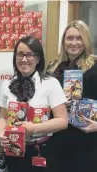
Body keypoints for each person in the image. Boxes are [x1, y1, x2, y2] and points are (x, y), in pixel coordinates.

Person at [0, 35, 68, 172]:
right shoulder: (6, 84)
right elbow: (3, 117)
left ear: (38, 58)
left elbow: (63, 121)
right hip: (13, 150)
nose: (24, 59)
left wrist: (33, 128)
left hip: (40, 149)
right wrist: (0, 132)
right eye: (20, 54)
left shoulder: (50, 84)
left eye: (30, 55)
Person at [46, 20, 97, 172]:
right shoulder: (53, 66)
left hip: (87, 139)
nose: (74, 42)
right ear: (63, 41)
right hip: (57, 138)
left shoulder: (94, 66)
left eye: (79, 38)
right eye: (69, 38)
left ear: (86, 40)